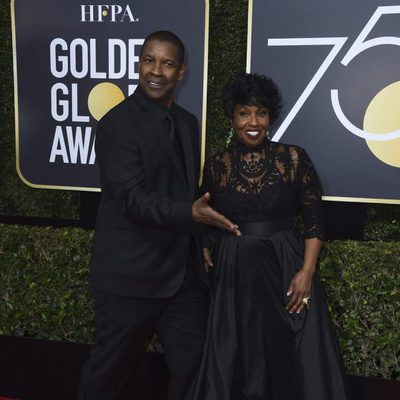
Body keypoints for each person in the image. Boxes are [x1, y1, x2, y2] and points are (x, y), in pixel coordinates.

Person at [78, 31, 240, 400]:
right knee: (108, 372)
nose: (156, 70)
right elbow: (132, 200)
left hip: (180, 278)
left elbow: (187, 191)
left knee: (194, 365)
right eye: (149, 60)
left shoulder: (186, 123)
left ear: (181, 72)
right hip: (129, 277)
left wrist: (198, 243)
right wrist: (193, 216)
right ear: (138, 64)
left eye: (167, 63)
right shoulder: (116, 125)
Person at [194, 73, 351, 400]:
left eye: (261, 113)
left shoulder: (293, 159)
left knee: (295, 354)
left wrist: (306, 272)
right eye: (244, 113)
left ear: (270, 117)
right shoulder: (216, 166)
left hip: (286, 267)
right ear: (232, 117)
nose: (253, 122)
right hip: (236, 273)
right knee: (240, 354)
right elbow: (204, 216)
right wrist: (207, 246)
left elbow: (314, 220)